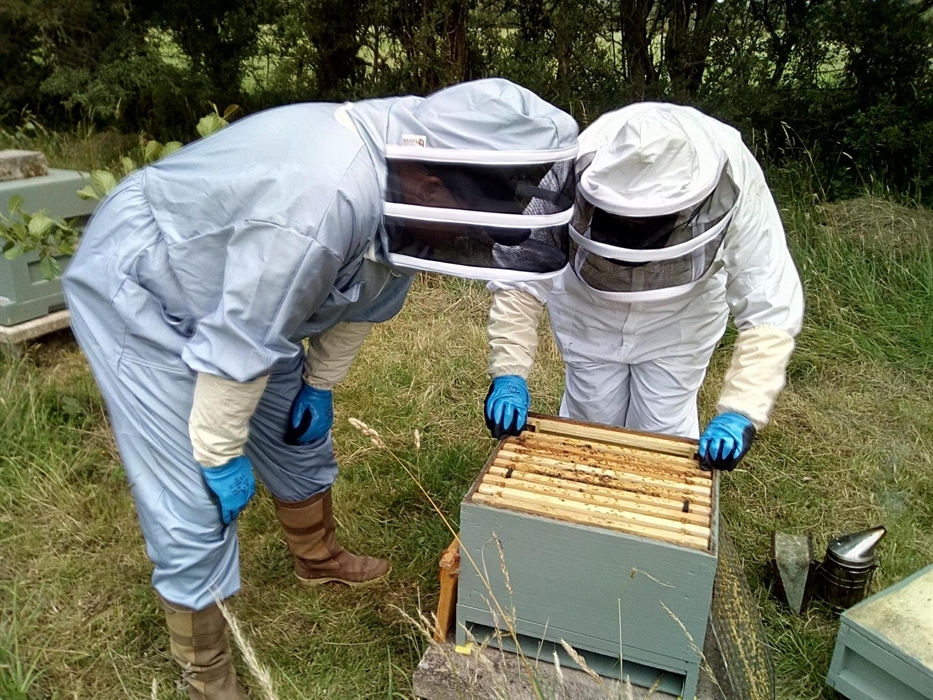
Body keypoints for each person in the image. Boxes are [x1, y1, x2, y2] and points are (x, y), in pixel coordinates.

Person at [63, 78, 578, 699]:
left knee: (297, 433)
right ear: (433, 186)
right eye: (470, 228)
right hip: (151, 283)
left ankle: (317, 558)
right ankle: (209, 681)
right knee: (193, 500)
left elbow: (362, 297)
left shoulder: (402, 185)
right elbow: (242, 343)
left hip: (253, 300)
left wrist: (319, 384)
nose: (472, 242)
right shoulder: (321, 198)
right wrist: (218, 452)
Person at [483, 102, 804, 472]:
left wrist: (742, 409)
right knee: (589, 423)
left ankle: (651, 518)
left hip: (681, 319)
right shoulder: (576, 164)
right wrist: (509, 371)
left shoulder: (736, 174)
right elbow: (522, 270)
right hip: (589, 310)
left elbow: (769, 304)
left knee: (663, 431)